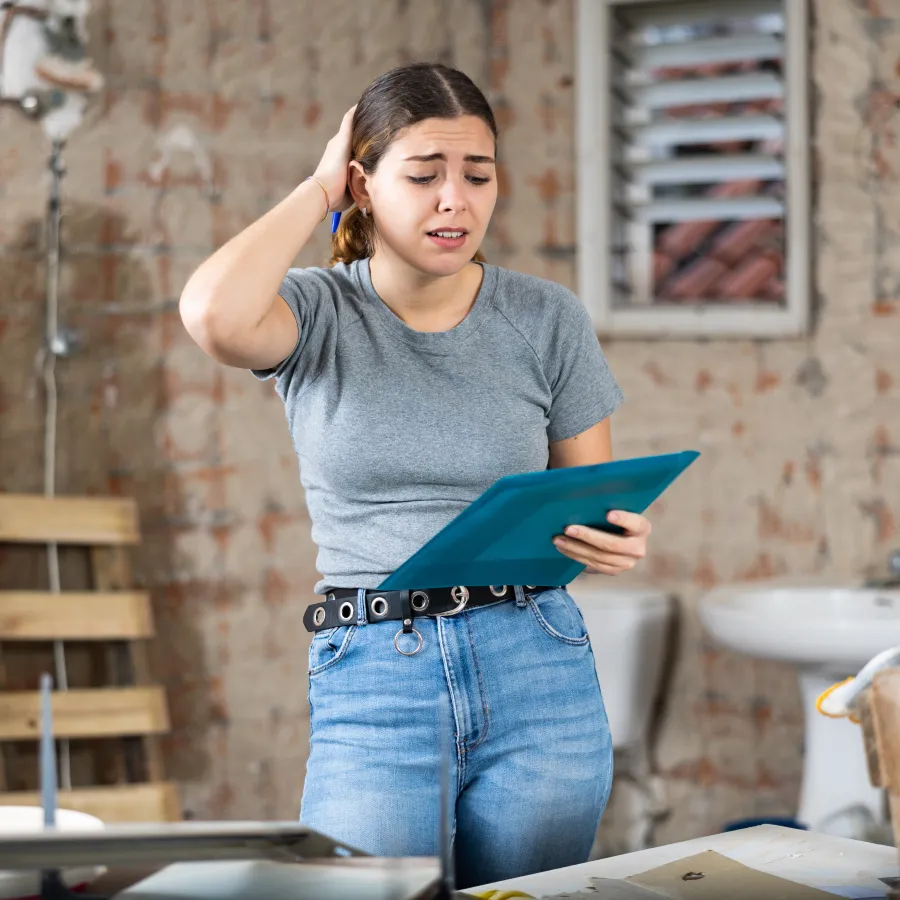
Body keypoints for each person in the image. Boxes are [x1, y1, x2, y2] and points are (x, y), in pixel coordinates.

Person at [179, 62, 653, 890]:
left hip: (536, 662)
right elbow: (213, 315)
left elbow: (585, 500)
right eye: (424, 175)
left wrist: (611, 534)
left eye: (477, 175)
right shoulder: (316, 312)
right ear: (364, 184)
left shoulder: (546, 317)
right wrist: (317, 188)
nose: (454, 201)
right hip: (373, 671)